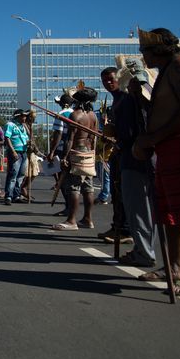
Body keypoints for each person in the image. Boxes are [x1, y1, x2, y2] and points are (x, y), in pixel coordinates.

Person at [133, 27, 180, 296]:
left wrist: (154, 137)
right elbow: (163, 110)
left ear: (157, 49)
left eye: (143, 50)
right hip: (166, 148)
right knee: (169, 213)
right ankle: (175, 268)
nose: (142, 56)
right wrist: (138, 96)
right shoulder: (166, 71)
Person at [112, 64, 157, 267]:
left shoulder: (132, 102)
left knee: (139, 209)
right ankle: (143, 249)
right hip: (147, 159)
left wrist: (116, 139)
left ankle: (144, 252)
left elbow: (127, 133)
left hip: (135, 159)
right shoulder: (147, 100)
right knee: (145, 209)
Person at [53, 88, 98, 231]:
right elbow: (93, 137)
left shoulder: (75, 115)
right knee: (88, 187)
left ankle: (71, 220)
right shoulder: (93, 116)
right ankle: (88, 219)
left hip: (77, 151)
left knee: (74, 186)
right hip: (89, 152)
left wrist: (65, 157)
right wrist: (93, 153)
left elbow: (70, 139)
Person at [96, 69, 133, 245]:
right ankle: (117, 227)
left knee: (123, 193)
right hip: (118, 151)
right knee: (116, 194)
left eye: (111, 79)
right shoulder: (116, 100)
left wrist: (117, 140)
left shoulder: (126, 98)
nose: (108, 83)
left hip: (127, 152)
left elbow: (129, 128)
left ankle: (125, 230)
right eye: (104, 81)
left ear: (119, 79)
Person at [47, 93, 74, 216]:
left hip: (63, 150)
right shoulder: (77, 113)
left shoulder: (62, 114)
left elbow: (58, 134)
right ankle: (71, 207)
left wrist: (52, 151)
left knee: (63, 180)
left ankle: (69, 207)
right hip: (75, 150)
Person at [3, 109, 29, 205]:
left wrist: (30, 145)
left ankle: (16, 195)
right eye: (23, 116)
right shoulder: (10, 125)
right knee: (13, 174)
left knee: (21, 175)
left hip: (24, 152)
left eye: (25, 116)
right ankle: (8, 196)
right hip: (15, 152)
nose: (24, 118)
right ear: (17, 116)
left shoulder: (23, 126)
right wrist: (13, 151)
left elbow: (26, 139)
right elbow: (7, 138)